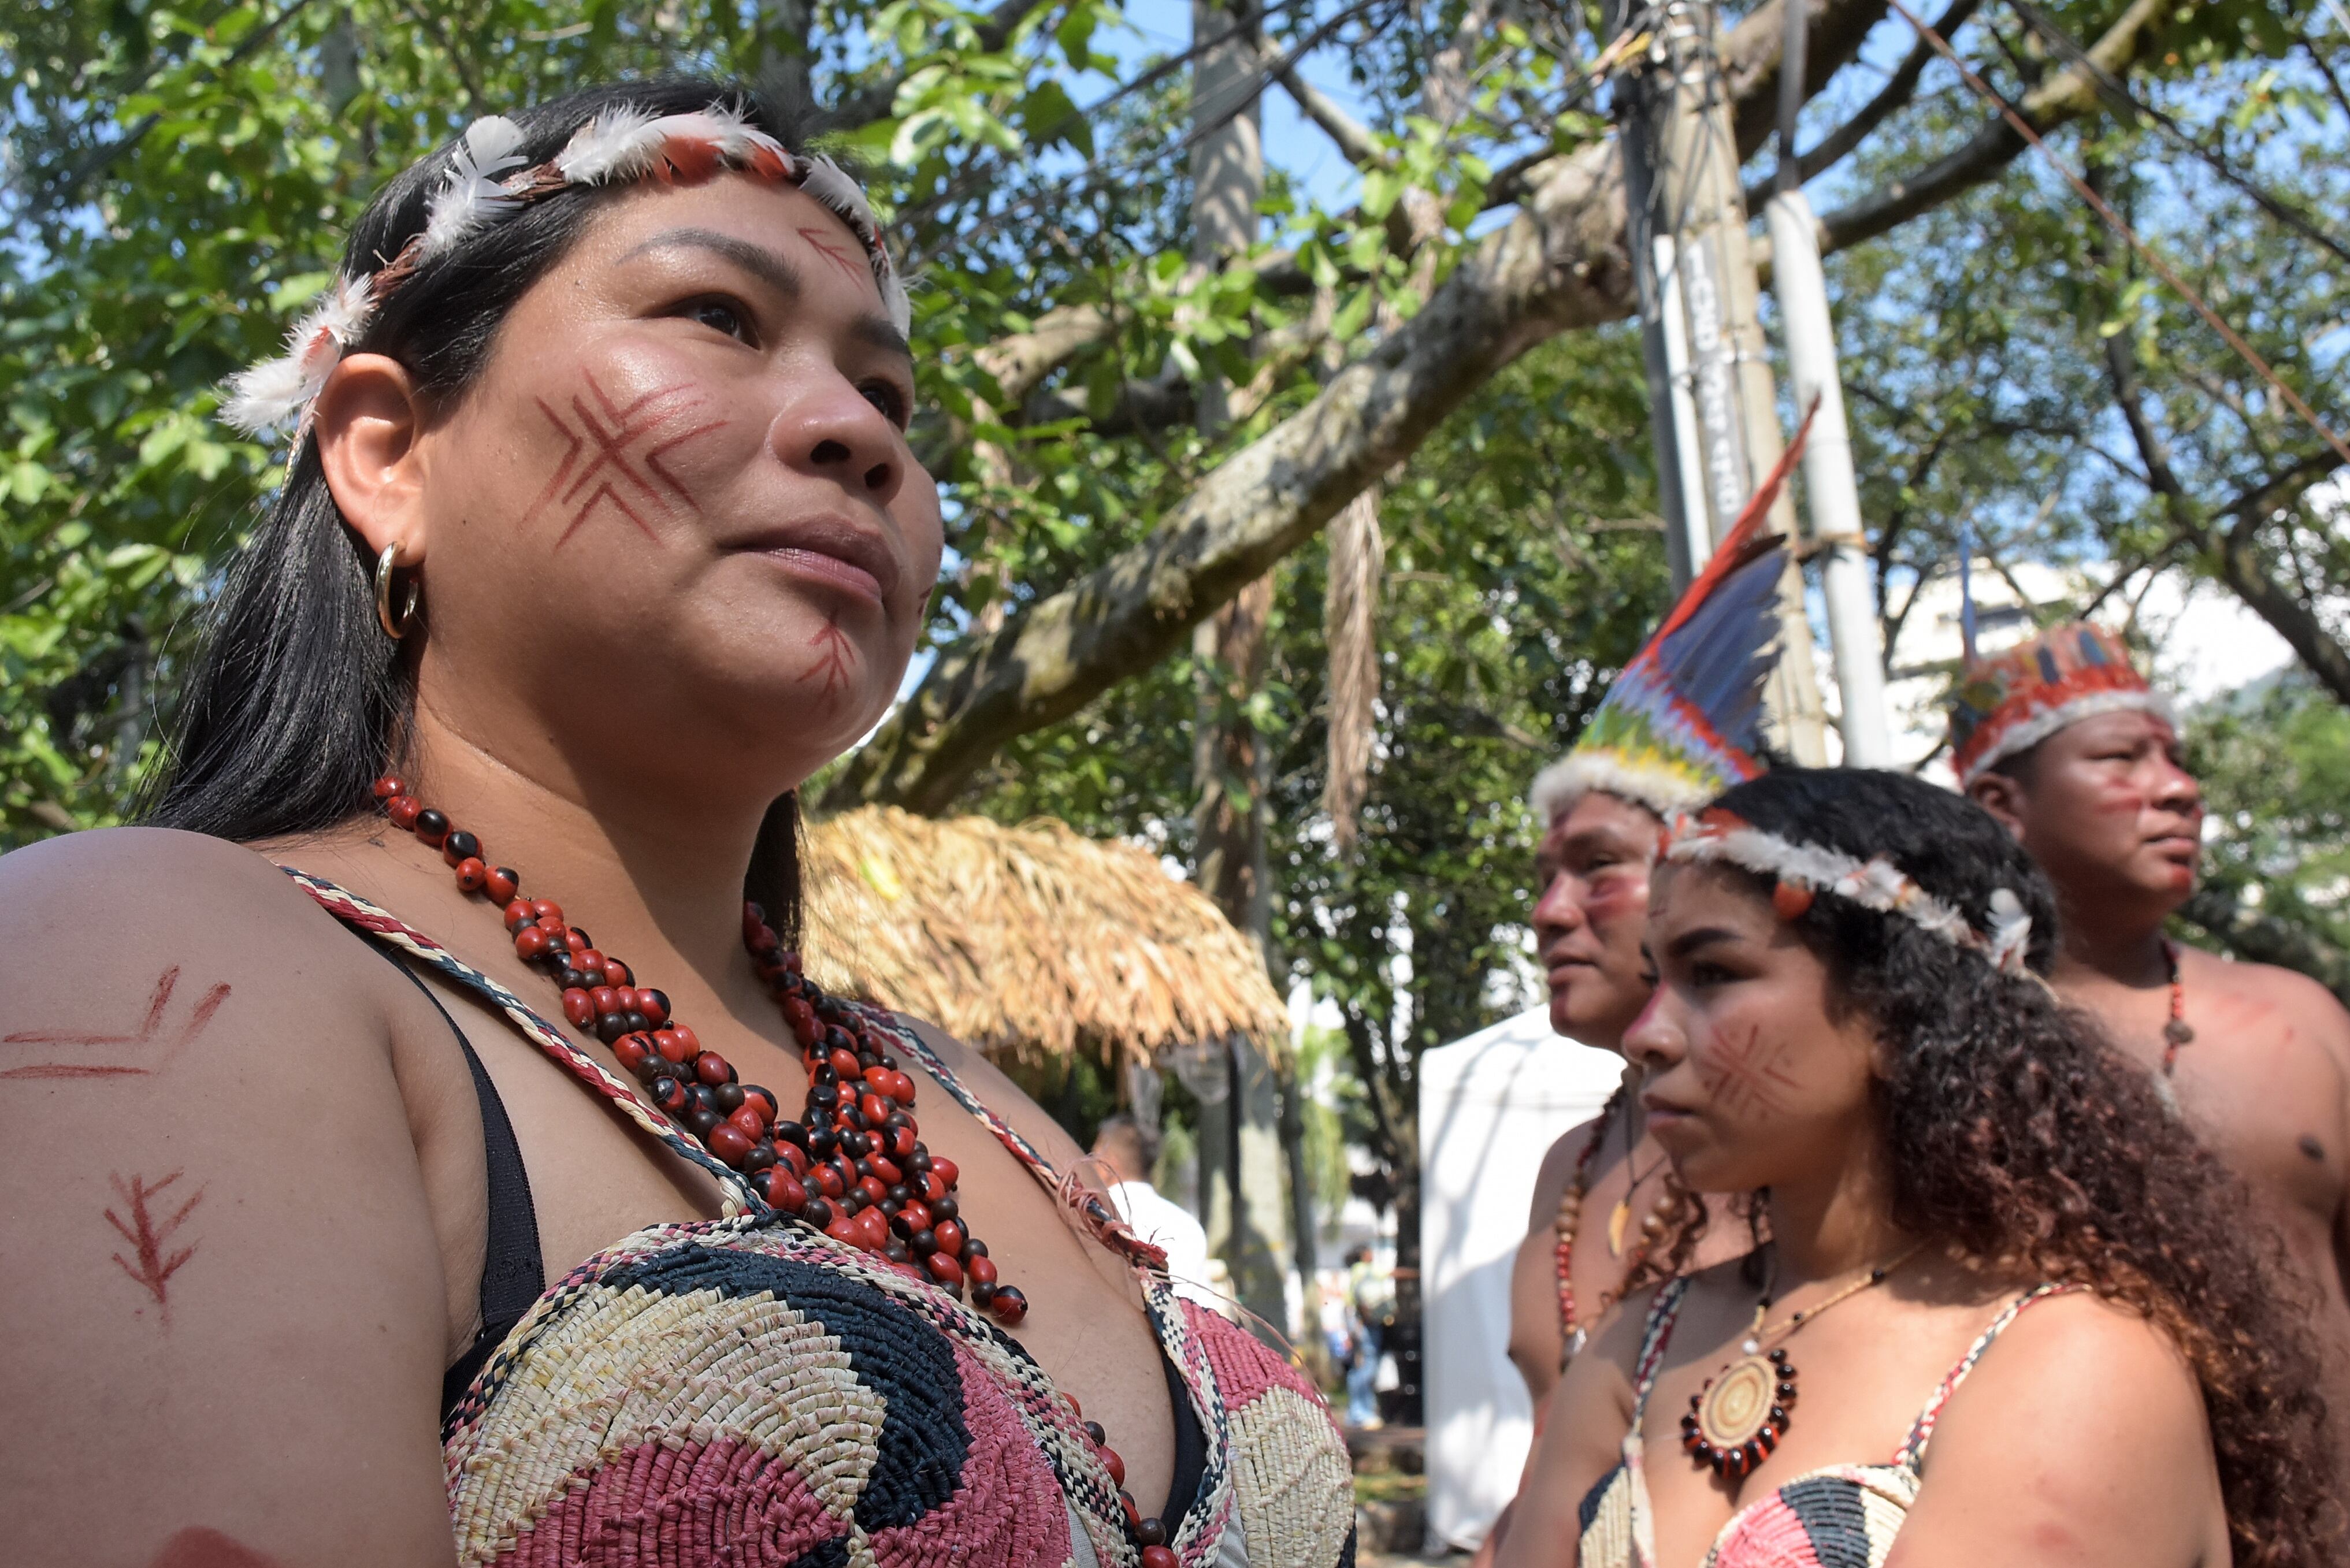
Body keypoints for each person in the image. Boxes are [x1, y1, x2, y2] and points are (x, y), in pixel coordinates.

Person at [0, 81, 1357, 1568]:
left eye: (890, 395)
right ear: (389, 453)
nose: (858, 431)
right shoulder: (148, 967)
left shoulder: (970, 1099)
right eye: (717, 315)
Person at [1499, 768, 2336, 1568]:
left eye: (1712, 973)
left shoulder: (2075, 1361)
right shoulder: (1634, 1342)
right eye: (1656, 981)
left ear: (1899, 1012)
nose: (1646, 1033)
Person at [1954, 620, 2350, 1485]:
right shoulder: (1936, 1057)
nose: (2178, 788)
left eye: (2174, 758)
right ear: (1999, 804)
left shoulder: (2303, 1021)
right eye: (2120, 759)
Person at [1504, 499, 1795, 1412]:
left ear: (1706, 880)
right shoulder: (1568, 1166)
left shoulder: (1806, 1147)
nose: (1550, 912)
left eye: (1597, 866)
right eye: (1544, 876)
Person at [1091, 1114, 1220, 1313]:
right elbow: (1205, 1307)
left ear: (1107, 1165)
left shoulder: (1096, 1217)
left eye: (1093, 1157)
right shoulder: (1188, 1225)